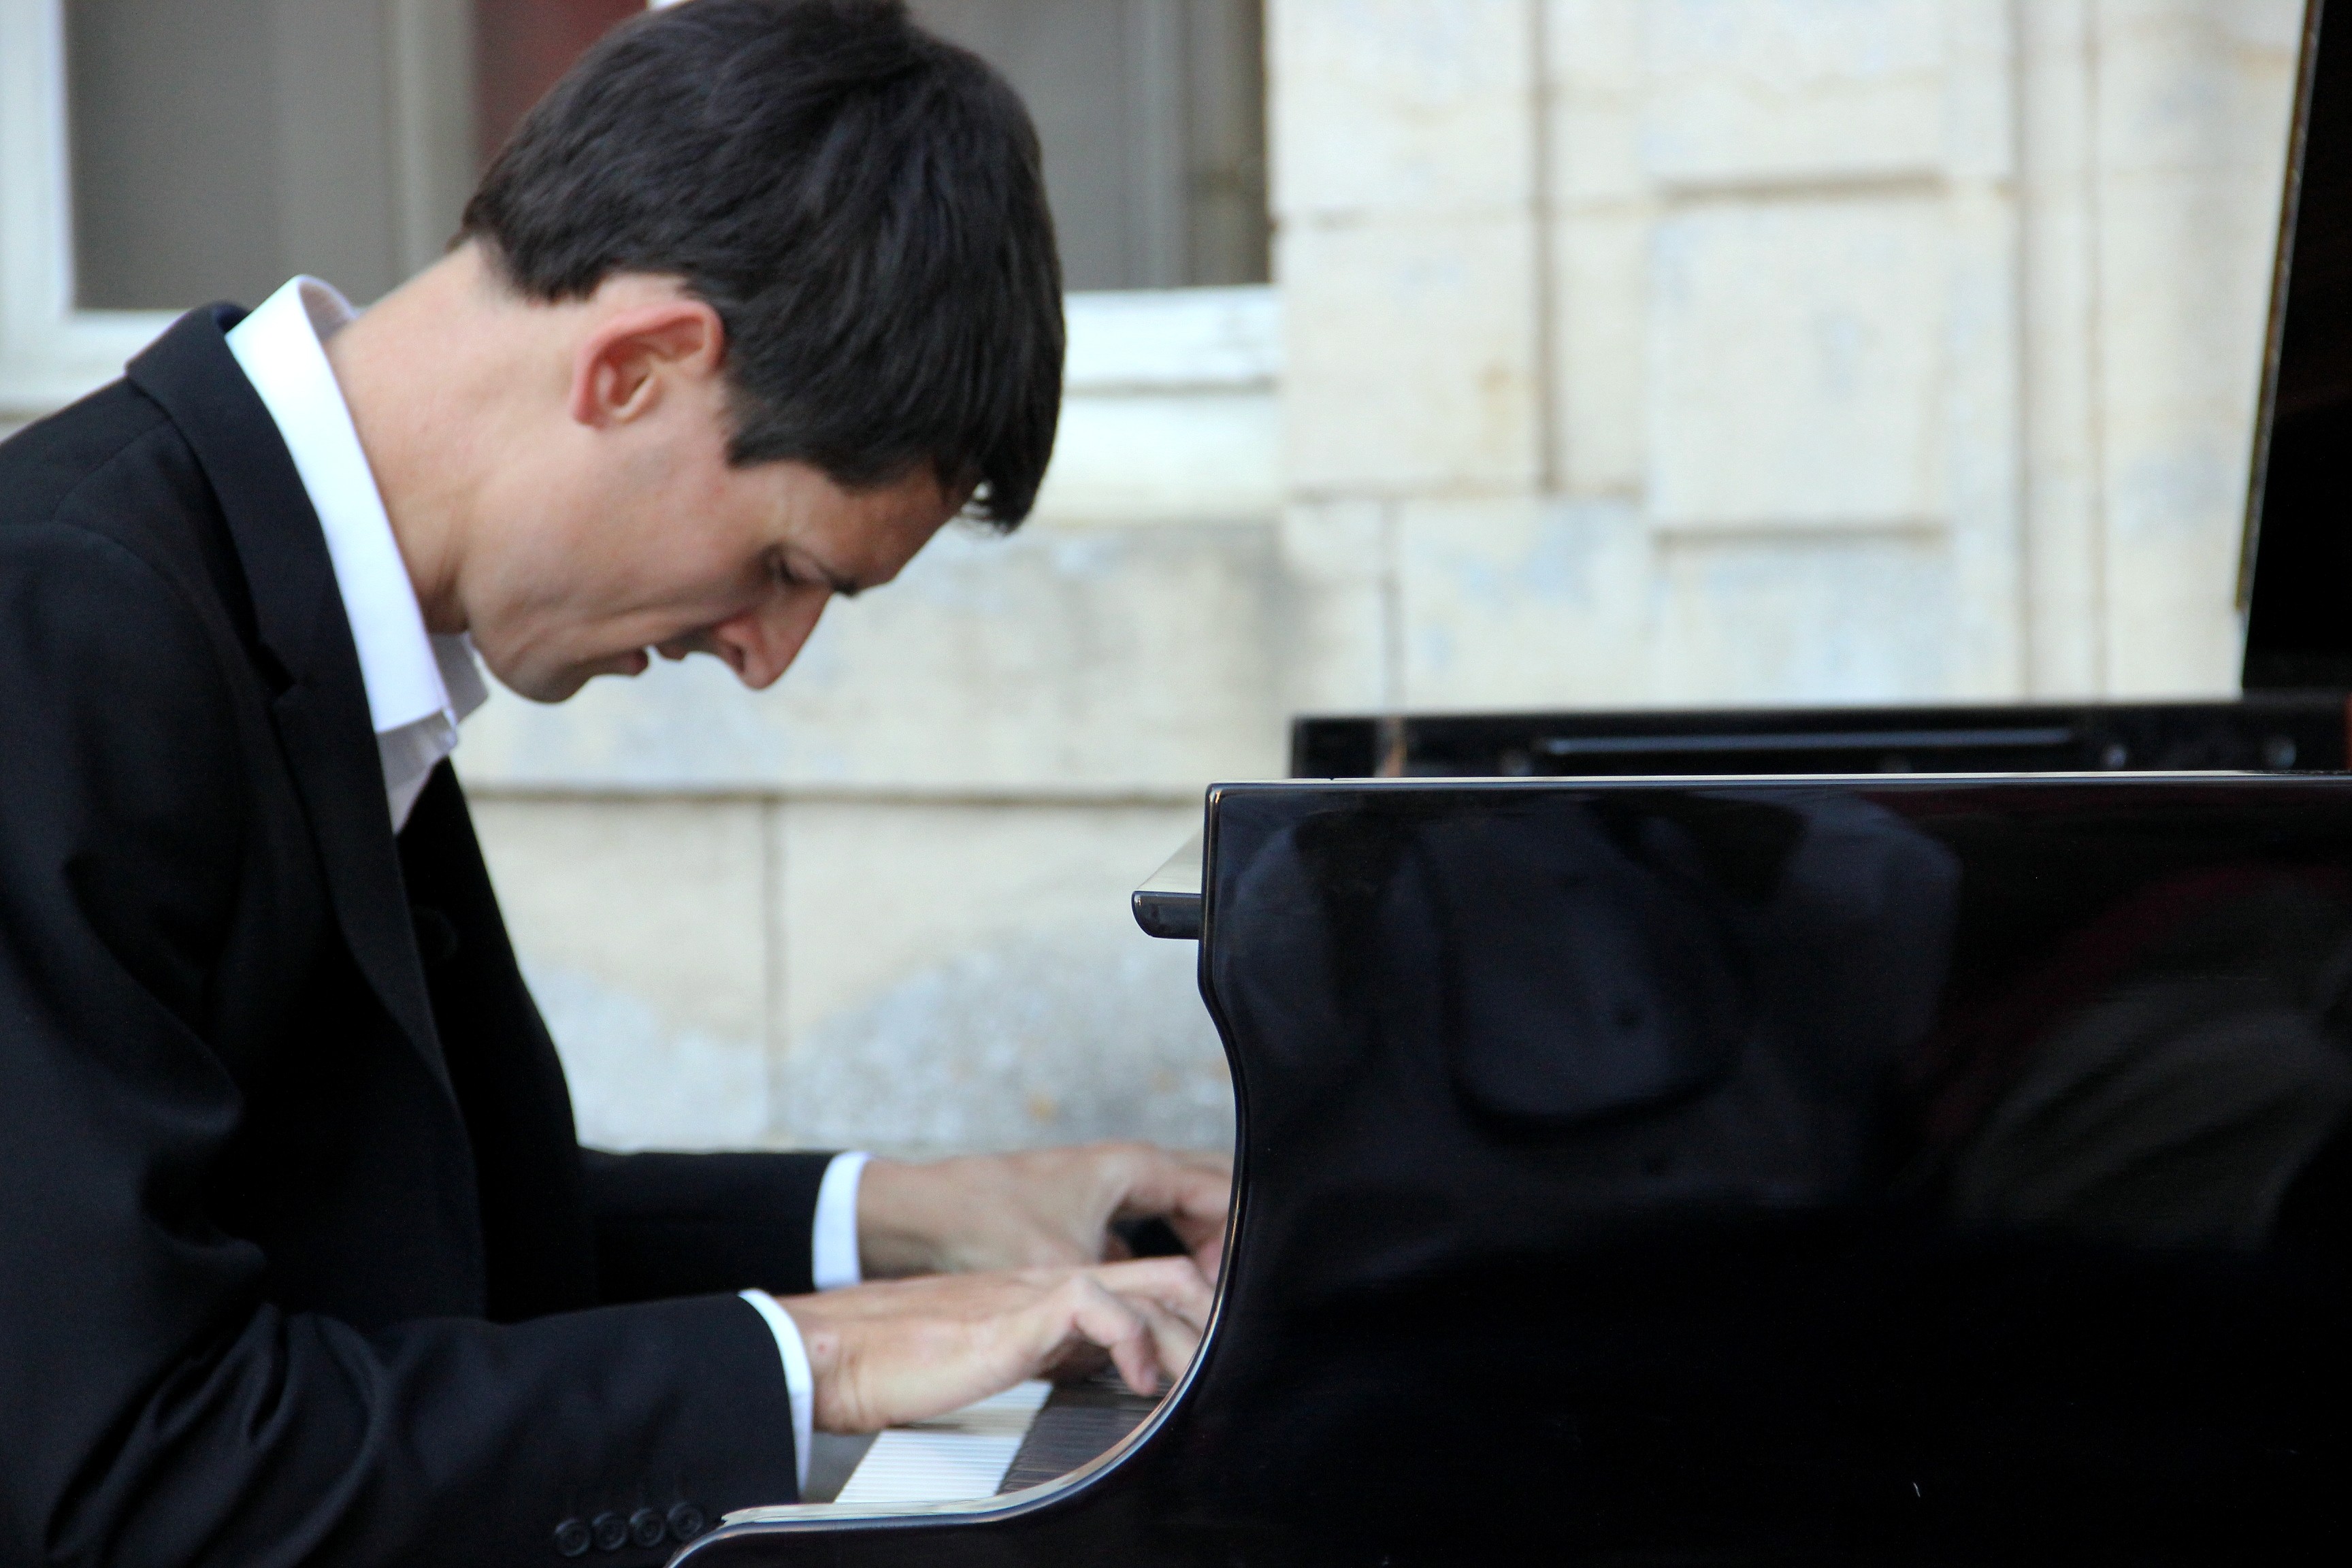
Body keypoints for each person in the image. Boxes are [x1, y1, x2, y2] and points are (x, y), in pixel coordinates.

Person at [0, 3, 1228, 1563]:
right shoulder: (57, 626)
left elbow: (427, 1246)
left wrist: (919, 1216)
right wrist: (829, 1354)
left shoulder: (277, 594)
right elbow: (122, 1472)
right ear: (641, 365)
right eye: (786, 565)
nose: (767, 656)